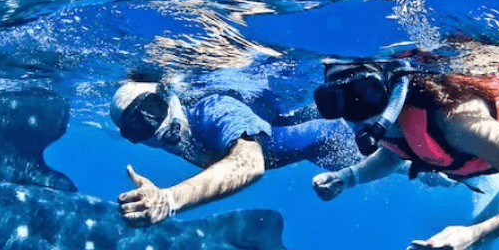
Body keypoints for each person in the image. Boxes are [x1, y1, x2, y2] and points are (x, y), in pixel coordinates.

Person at [311, 58, 499, 250]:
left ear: (390, 85)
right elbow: (394, 153)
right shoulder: (392, 120)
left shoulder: (458, 120)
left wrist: (473, 235)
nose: (358, 115)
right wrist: (349, 177)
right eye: (333, 101)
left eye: (367, 92)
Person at [109, 81, 361, 226]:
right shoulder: (175, 140)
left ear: (167, 96)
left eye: (151, 110)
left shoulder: (212, 109)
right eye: (137, 127)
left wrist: (169, 200)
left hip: (348, 134)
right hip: (317, 152)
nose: (155, 127)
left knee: (397, 160)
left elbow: (250, 164)